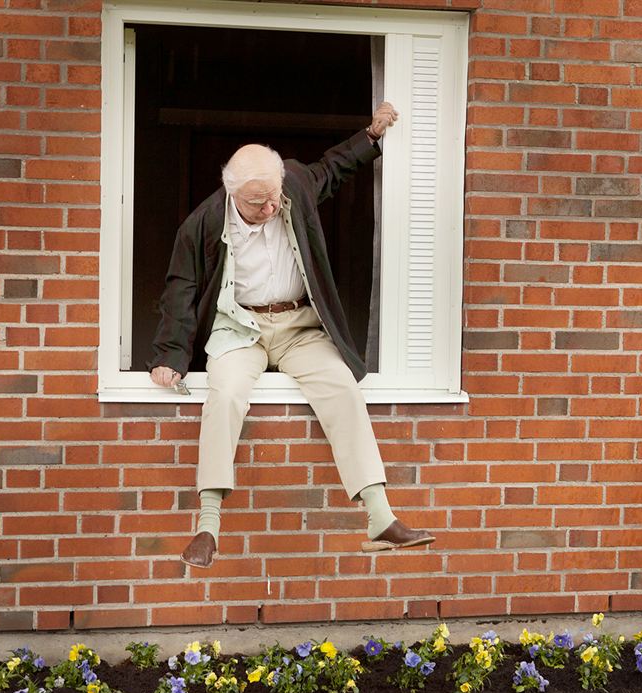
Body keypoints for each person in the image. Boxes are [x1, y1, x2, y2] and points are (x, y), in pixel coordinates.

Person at [150, 102, 436, 568]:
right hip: (239, 326)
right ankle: (208, 525)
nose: (269, 207)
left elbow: (332, 168)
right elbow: (179, 289)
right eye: (256, 202)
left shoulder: (293, 186)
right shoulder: (203, 222)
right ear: (231, 194)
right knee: (223, 395)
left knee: (342, 387)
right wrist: (168, 354)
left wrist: (371, 135)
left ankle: (380, 518)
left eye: (273, 196)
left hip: (300, 326)